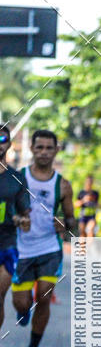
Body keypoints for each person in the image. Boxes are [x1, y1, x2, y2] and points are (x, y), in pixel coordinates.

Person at [12, 129, 75, 347]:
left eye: (49, 148)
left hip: (49, 248)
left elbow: (72, 221)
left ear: (56, 150)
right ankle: (23, 310)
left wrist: (65, 224)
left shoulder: (63, 185)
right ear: (31, 149)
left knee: (45, 297)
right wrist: (17, 219)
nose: (44, 152)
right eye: (40, 147)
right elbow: (6, 210)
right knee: (21, 303)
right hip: (21, 249)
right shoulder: (18, 178)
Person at [0, 125, 30, 333]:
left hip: (6, 246)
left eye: (2, 140)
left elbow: (25, 216)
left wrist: (21, 221)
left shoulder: (17, 178)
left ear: (9, 145)